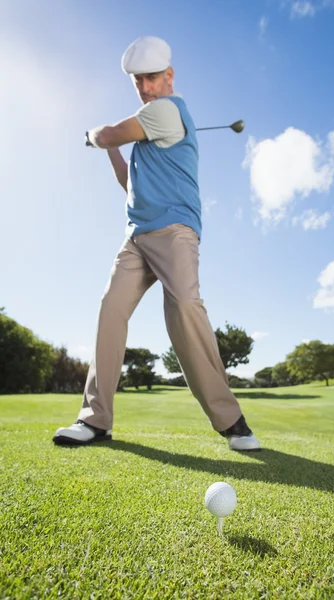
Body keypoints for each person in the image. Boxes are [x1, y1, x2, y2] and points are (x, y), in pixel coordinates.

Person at [53, 37, 260, 452]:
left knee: (184, 308)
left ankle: (231, 420)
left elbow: (110, 131)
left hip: (175, 232)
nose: (145, 88)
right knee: (110, 311)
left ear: (169, 76)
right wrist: (109, 150)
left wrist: (94, 136)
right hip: (136, 237)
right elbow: (128, 183)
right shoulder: (149, 130)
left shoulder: (166, 110)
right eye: (137, 81)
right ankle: (95, 420)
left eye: (151, 78)